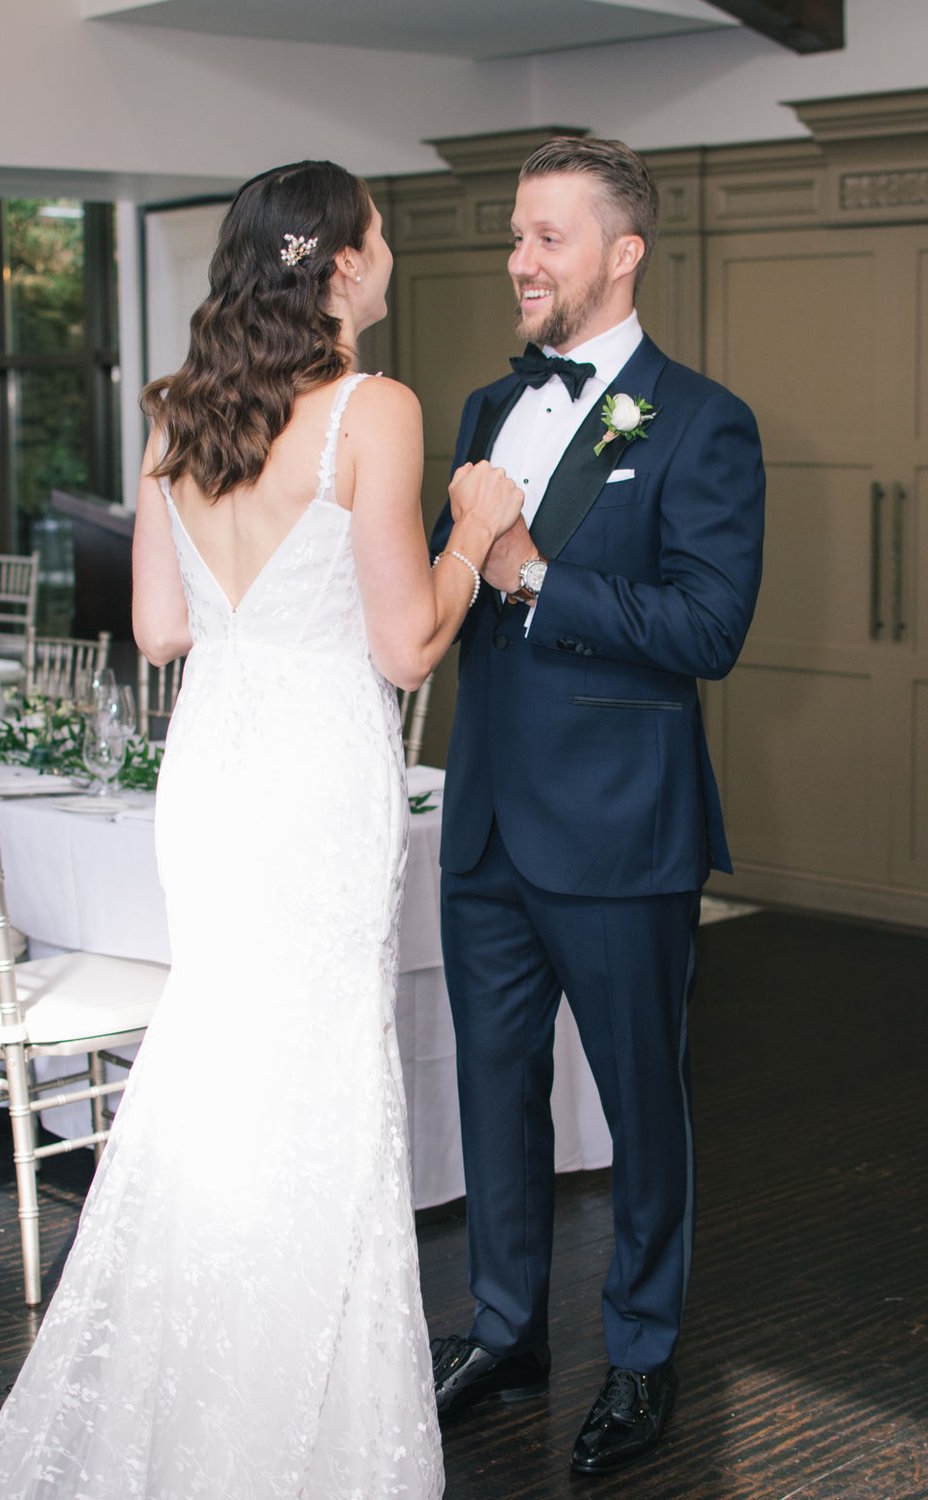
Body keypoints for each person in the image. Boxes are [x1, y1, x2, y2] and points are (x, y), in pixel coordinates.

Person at [0, 160, 522, 1499]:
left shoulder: (178, 412)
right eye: (377, 239)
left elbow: (159, 631)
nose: (387, 257)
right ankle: (292, 1425)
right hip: (320, 772)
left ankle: (193, 1389)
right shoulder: (374, 408)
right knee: (318, 1069)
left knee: (217, 1057)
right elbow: (402, 648)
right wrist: (473, 526)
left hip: (212, 769)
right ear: (337, 263)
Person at [429, 136, 765, 1476]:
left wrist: (529, 573)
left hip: (624, 833)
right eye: (518, 234)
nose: (521, 259)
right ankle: (507, 1332)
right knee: (494, 1094)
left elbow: (708, 625)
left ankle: (639, 1356)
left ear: (623, 253)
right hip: (486, 826)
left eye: (549, 238)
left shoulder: (702, 420)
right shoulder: (477, 409)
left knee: (642, 1107)